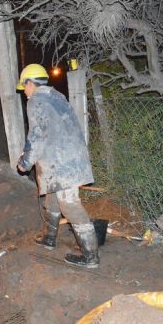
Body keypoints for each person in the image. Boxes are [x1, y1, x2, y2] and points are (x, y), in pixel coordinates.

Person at [16, 63, 100, 268]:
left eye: (24, 87)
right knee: (53, 199)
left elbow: (37, 135)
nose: (24, 92)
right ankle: (49, 238)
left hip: (63, 163)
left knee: (69, 205)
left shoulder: (36, 101)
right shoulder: (56, 96)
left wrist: (25, 162)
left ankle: (91, 258)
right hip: (68, 157)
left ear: (30, 83)